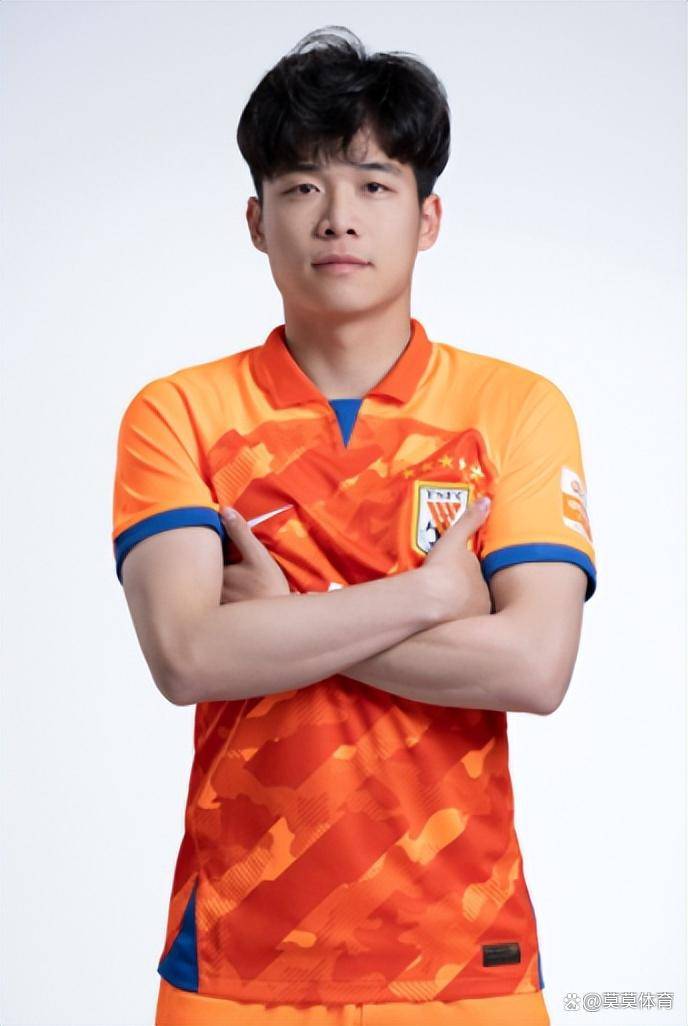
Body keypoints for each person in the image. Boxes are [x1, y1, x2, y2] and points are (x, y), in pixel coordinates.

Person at [111, 25, 596, 1026]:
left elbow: (533, 666)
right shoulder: (180, 412)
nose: (338, 217)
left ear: (428, 218)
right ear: (257, 220)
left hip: (468, 965)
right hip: (236, 968)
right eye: (303, 186)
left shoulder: (514, 409)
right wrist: (427, 597)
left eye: (375, 184)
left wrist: (283, 615)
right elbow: (189, 656)